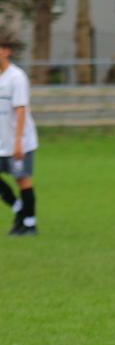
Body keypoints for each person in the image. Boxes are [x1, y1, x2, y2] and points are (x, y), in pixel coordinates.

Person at [0, 33, 39, 236]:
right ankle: (19, 211)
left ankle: (30, 224)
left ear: (6, 51)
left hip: (19, 142)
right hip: (1, 141)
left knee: (22, 179)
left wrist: (18, 142)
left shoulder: (17, 77)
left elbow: (21, 110)